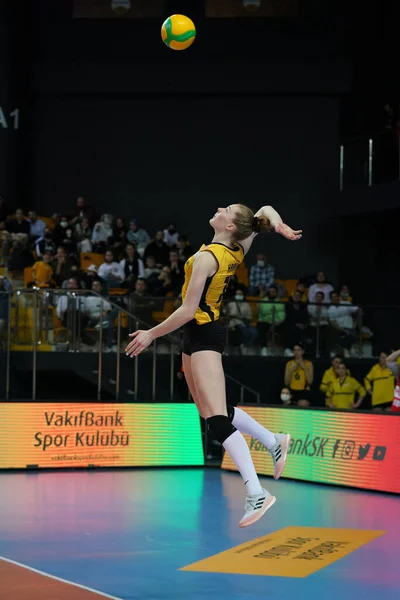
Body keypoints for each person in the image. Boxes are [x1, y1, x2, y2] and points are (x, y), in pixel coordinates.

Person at [125, 204, 302, 527]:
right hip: (195, 337)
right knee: (207, 411)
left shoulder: (207, 258)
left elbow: (188, 310)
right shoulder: (236, 247)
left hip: (204, 333)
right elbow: (264, 210)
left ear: (231, 226)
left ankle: (256, 491)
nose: (220, 208)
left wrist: (151, 333)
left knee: (217, 420)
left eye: (227, 209)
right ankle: (273, 441)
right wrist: (279, 227)